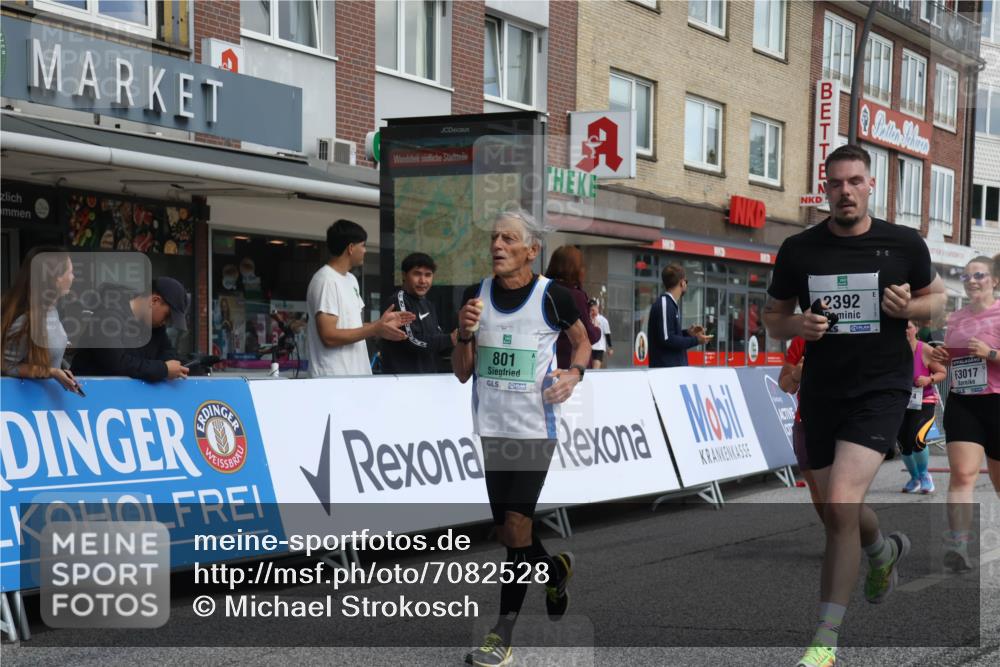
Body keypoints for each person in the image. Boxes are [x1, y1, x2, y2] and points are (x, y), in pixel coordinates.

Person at [762, 144, 945, 667]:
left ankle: (825, 639)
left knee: (841, 502)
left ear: (871, 186)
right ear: (826, 187)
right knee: (832, 511)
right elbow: (772, 318)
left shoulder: (903, 243)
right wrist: (799, 325)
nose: (845, 191)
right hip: (823, 392)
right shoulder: (799, 249)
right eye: (836, 183)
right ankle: (882, 550)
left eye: (855, 181)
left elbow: (937, 300)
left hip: (880, 389)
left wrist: (909, 307)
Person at [453, 208, 591, 667]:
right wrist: (463, 335)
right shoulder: (477, 294)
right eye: (494, 237)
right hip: (492, 425)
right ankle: (555, 570)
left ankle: (502, 633)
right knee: (509, 531)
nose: (497, 245)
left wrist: (574, 373)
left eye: (509, 239)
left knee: (514, 527)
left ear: (532, 250)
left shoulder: (553, 297)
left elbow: (584, 341)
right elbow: (462, 373)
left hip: (534, 428)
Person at [929, 256, 1000, 572]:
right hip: (964, 402)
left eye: (979, 275)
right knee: (962, 474)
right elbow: (947, 363)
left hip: (997, 403)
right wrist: (942, 357)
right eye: (966, 276)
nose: (971, 281)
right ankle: (957, 544)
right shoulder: (956, 319)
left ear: (994, 281)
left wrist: (991, 354)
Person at [305, 220, 415, 377]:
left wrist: (381, 326)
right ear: (350, 248)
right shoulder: (326, 280)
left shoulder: (351, 279)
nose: (365, 250)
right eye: (363, 245)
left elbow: (352, 326)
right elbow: (328, 336)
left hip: (355, 376)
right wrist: (375, 328)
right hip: (332, 379)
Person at [71, 276, 191, 382]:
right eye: (167, 316)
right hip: (88, 398)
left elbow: (168, 354)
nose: (167, 322)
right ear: (154, 301)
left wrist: (186, 366)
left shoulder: (154, 326)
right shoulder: (107, 317)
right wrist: (163, 369)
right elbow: (117, 364)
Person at [1, 246, 80, 393]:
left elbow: (45, 356)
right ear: (56, 278)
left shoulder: (52, 310)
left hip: (43, 405)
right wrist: (51, 372)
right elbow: (5, 367)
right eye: (70, 272)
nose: (73, 277)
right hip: (24, 408)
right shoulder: (25, 321)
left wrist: (61, 370)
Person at [380, 252, 456, 374]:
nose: (423, 280)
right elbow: (411, 340)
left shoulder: (428, 305)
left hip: (427, 382)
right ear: (404, 275)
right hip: (402, 384)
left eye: (428, 275)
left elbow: (436, 342)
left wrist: (463, 340)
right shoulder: (398, 300)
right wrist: (450, 339)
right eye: (417, 274)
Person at [898, 320, 946, 494]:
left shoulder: (924, 349)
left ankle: (925, 476)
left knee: (917, 439)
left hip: (924, 402)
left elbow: (942, 372)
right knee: (903, 444)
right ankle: (914, 477)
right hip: (901, 404)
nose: (905, 331)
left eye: (909, 327)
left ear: (916, 329)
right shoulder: (893, 351)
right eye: (901, 328)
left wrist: (928, 379)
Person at [778, 336, 822, 521]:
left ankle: (863, 537)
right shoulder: (801, 340)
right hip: (806, 423)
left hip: (843, 423)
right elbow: (785, 386)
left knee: (841, 491)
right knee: (819, 491)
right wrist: (797, 374)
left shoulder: (852, 334)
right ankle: (836, 536)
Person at [543, 245, 601, 368]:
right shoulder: (575, 295)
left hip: (545, 363)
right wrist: (597, 328)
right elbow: (588, 335)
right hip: (570, 365)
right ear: (577, 269)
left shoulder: (543, 290)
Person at [647, 263, 711, 368]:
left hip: (673, 370)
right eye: (686, 281)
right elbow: (667, 339)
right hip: (666, 371)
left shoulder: (670, 304)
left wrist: (687, 333)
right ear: (682, 283)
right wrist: (696, 340)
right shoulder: (665, 304)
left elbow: (667, 334)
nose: (686, 284)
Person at [589, 299, 613, 369]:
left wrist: (610, 347)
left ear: (597, 308)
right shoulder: (588, 319)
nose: (592, 312)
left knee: (595, 369)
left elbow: (607, 334)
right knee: (588, 370)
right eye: (590, 310)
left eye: (593, 310)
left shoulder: (603, 320)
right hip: (589, 348)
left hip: (599, 348)